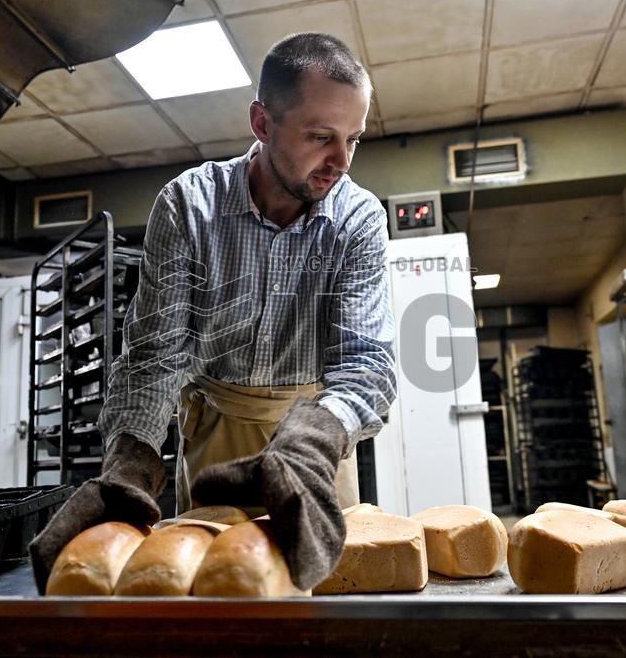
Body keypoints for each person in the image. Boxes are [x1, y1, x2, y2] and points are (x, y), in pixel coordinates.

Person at [30, 32, 396, 592]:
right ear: (262, 123)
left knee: (316, 606)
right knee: (208, 594)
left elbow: (366, 363)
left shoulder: (358, 218)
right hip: (213, 441)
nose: (341, 163)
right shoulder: (189, 205)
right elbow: (154, 358)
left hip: (313, 447)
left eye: (354, 139)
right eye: (321, 137)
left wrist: (309, 445)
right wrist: (131, 462)